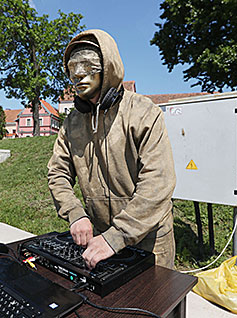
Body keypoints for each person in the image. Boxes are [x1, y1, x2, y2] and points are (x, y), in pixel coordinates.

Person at [47, 29, 176, 269]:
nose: (79, 75)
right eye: (73, 69)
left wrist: (118, 236)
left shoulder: (144, 113)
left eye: (88, 67)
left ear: (108, 67)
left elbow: (158, 182)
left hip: (150, 240)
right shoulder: (72, 122)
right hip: (100, 239)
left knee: (154, 304)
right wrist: (75, 213)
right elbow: (58, 173)